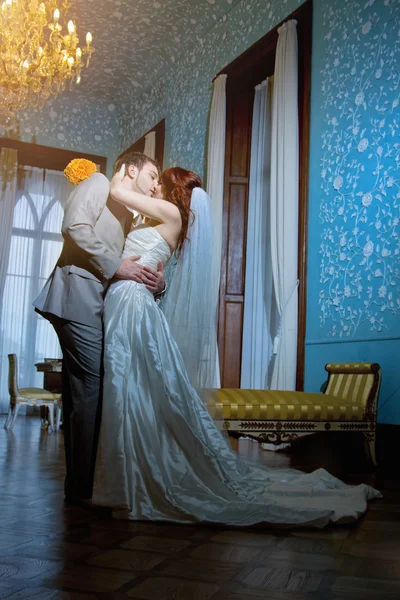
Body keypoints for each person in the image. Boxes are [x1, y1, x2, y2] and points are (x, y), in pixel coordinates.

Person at [92, 165, 380, 528]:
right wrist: (159, 281)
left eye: (156, 179)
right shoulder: (158, 219)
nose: (151, 186)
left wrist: (122, 171)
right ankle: (125, 472)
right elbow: (156, 270)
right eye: (149, 177)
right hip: (129, 300)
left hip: (131, 304)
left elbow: (117, 192)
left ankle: (128, 479)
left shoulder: (168, 213)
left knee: (134, 387)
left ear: (170, 189)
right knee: (134, 389)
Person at [33, 153, 165, 503]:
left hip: (96, 306)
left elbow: (137, 264)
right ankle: (85, 489)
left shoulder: (128, 211)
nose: (155, 184)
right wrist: (116, 266)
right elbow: (74, 227)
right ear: (131, 169)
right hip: (76, 297)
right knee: (91, 390)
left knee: (85, 392)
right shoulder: (98, 182)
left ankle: (82, 486)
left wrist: (157, 284)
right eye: (152, 175)